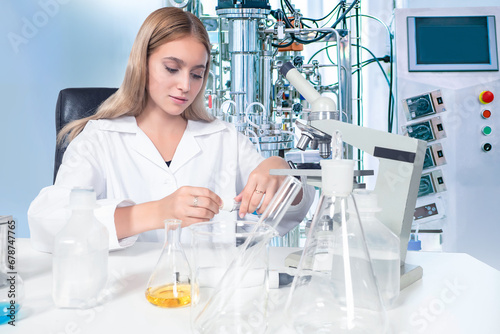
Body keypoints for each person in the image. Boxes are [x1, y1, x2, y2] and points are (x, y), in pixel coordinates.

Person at [28, 7, 314, 252]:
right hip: (125, 299)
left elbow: (288, 216)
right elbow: (48, 221)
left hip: (206, 297)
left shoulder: (225, 139)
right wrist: (155, 212)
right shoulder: (100, 139)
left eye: (196, 74)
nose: (185, 86)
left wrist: (281, 172)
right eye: (171, 68)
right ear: (142, 63)